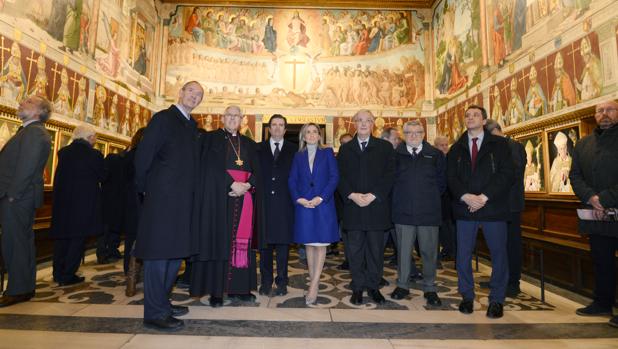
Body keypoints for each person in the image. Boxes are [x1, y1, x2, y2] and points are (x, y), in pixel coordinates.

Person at [134, 81, 203, 331]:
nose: (195, 97)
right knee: (158, 255)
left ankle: (163, 301)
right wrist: (146, 191)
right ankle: (154, 312)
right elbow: (143, 157)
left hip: (182, 201)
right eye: (191, 92)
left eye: (199, 95)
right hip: (162, 199)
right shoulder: (164, 118)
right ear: (181, 93)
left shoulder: (190, 125)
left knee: (175, 254)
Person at [190, 105, 264, 307]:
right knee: (219, 241)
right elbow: (207, 168)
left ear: (242, 119)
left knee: (242, 244)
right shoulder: (210, 139)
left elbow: (258, 171)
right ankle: (216, 291)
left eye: (236, 116)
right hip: (218, 199)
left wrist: (248, 185)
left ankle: (240, 289)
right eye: (229, 115)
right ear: (222, 118)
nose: (232, 118)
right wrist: (230, 183)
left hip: (244, 199)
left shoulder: (248, 143)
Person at [447, 105, 514, 319]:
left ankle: (496, 300)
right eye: (467, 115)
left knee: (498, 255)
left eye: (476, 115)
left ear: (484, 120)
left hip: (493, 207)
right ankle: (467, 296)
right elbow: (451, 178)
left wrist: (484, 197)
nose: (471, 118)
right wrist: (466, 196)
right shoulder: (456, 148)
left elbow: (506, 174)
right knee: (463, 255)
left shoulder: (500, 144)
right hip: (465, 208)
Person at [337, 109, 395, 305]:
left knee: (376, 252)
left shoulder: (384, 147)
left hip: (376, 207)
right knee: (354, 252)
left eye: (367, 120)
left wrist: (373, 195)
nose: (363, 124)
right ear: (353, 123)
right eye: (359, 120)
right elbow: (340, 176)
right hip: (353, 208)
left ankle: (373, 287)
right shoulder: (346, 149)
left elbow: (390, 175)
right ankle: (358, 287)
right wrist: (352, 195)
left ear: (373, 124)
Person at [570, 100, 618, 328]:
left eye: (610, 110)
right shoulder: (583, 143)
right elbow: (575, 176)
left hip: (615, 206)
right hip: (596, 215)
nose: (604, 114)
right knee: (601, 260)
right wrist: (591, 197)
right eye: (600, 111)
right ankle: (602, 302)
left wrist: (605, 198)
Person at [0, 96, 52, 308]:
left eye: (28, 102)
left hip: (17, 197)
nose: (21, 103)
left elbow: (26, 167)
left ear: (39, 111)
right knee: (20, 242)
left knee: (15, 243)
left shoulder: (34, 133)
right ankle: (24, 287)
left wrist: (13, 195)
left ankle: (17, 289)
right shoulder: (30, 131)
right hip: (19, 196)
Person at [390, 121, 446, 306]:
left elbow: (442, 183)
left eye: (417, 132)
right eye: (409, 133)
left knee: (428, 252)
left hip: (428, 213)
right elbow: (390, 182)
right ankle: (403, 285)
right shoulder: (395, 155)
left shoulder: (435, 155)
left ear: (423, 134)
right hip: (403, 212)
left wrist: (426, 197)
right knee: (404, 251)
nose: (413, 135)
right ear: (404, 135)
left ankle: (429, 287)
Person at [289, 123, 339, 305]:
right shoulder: (298, 156)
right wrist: (298, 198)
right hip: (304, 205)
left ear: (319, 136)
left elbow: (334, 177)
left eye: (314, 132)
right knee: (309, 245)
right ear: (303, 136)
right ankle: (313, 281)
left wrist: (321, 197)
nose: (311, 135)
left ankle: (314, 285)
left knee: (320, 245)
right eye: (307, 132)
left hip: (322, 205)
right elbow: (292, 180)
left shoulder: (327, 153)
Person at [50, 124, 104, 286]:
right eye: (94, 137)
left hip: (62, 202)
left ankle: (58, 272)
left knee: (62, 238)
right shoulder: (94, 155)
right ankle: (68, 274)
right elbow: (103, 175)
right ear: (88, 138)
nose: (95, 140)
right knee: (77, 239)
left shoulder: (64, 153)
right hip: (83, 203)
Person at [484, 119, 526, 297]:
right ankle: (499, 278)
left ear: (496, 131)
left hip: (510, 205)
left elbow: (513, 175)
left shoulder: (513, 146)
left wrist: (490, 189)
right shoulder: (496, 148)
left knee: (511, 244)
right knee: (498, 244)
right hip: (496, 205)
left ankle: (513, 282)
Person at [257, 115, 296, 297]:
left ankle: (282, 282)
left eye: (281, 125)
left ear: (285, 129)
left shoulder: (294, 150)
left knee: (282, 248)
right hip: (264, 204)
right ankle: (265, 282)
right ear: (269, 129)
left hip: (285, 206)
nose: (278, 128)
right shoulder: (258, 149)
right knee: (264, 247)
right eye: (274, 125)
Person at [124, 127, 146, 297]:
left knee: (133, 238)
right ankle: (133, 276)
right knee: (138, 240)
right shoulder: (141, 155)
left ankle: (130, 274)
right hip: (140, 201)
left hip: (131, 202)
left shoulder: (129, 154)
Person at [98, 145, 128, 264]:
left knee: (111, 227)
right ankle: (105, 252)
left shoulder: (111, 159)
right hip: (113, 198)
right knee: (110, 227)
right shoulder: (115, 159)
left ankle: (108, 251)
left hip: (110, 198)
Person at [434, 135, 456, 260]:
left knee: (450, 227)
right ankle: (443, 251)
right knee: (441, 228)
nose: (444, 147)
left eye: (446, 145)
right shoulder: (434, 158)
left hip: (450, 198)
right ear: (435, 146)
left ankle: (450, 250)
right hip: (438, 199)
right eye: (441, 145)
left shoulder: (451, 158)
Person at [336, 133, 353, 271]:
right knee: (346, 238)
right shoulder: (337, 160)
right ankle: (349, 260)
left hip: (359, 204)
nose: (345, 146)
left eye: (348, 143)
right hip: (342, 207)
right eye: (343, 143)